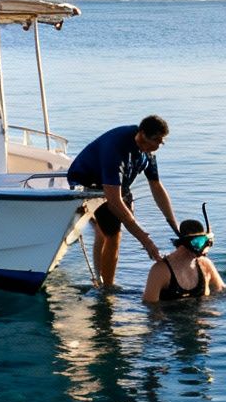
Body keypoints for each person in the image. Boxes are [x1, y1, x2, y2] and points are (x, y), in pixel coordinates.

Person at [67, 115, 179, 288]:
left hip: (119, 184)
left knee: (107, 230)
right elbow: (114, 201)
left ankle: (99, 277)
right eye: (155, 140)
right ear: (142, 134)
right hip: (90, 183)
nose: (158, 146)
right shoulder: (116, 148)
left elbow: (156, 186)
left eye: (161, 142)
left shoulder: (148, 152)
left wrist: (174, 224)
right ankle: (108, 289)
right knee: (114, 234)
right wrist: (146, 241)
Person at [142, 219, 224, 305]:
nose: (207, 246)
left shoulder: (205, 264)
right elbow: (150, 306)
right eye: (199, 242)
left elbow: (221, 290)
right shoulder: (160, 270)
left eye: (210, 241)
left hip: (201, 316)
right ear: (185, 243)